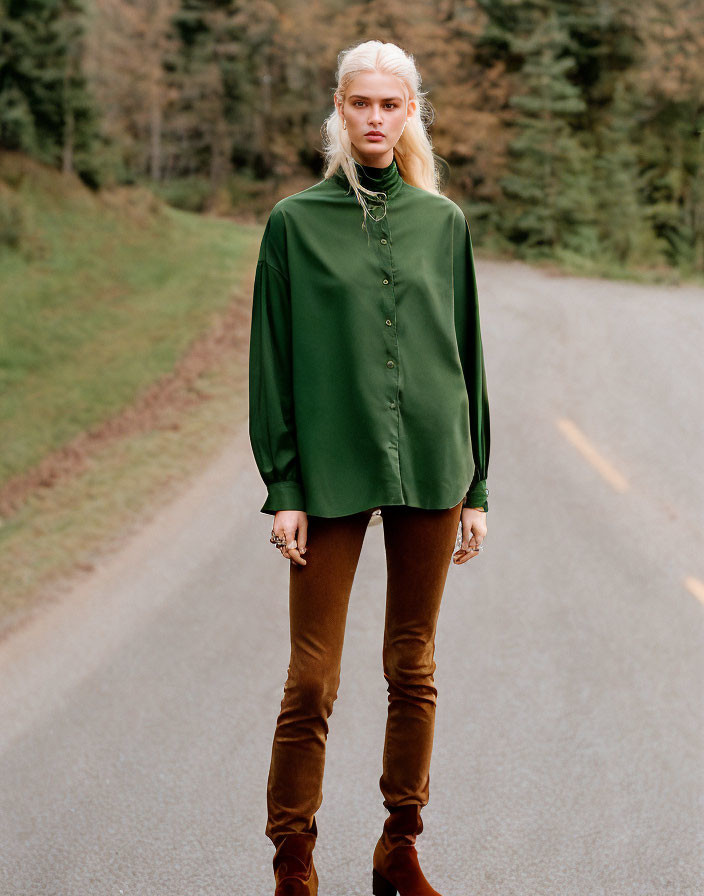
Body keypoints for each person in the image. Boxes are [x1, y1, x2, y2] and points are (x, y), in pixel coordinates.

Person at [248, 38, 490, 896]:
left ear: (411, 112)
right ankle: (293, 861)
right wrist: (284, 488)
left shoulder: (444, 224)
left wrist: (478, 487)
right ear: (339, 112)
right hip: (329, 471)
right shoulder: (292, 223)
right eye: (362, 103)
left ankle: (399, 846)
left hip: (433, 464)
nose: (376, 118)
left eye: (391, 104)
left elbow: (467, 359)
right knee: (312, 677)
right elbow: (271, 363)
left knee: (412, 667)